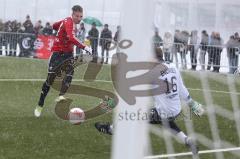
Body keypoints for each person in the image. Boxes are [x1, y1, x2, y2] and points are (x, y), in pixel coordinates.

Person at [95, 48, 204, 155]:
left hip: (163, 111)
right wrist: (192, 104)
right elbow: (181, 88)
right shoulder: (173, 66)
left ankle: (111, 129)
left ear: (154, 57)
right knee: (167, 121)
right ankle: (187, 140)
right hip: (176, 110)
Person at [34, 5, 92, 117]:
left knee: (70, 74)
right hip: (58, 54)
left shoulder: (67, 22)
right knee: (50, 80)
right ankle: (40, 104)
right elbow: (71, 37)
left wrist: (60, 32)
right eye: (77, 16)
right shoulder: (69, 21)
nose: (79, 18)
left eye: (81, 16)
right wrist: (84, 47)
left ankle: (61, 95)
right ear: (73, 14)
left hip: (68, 55)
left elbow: (55, 25)